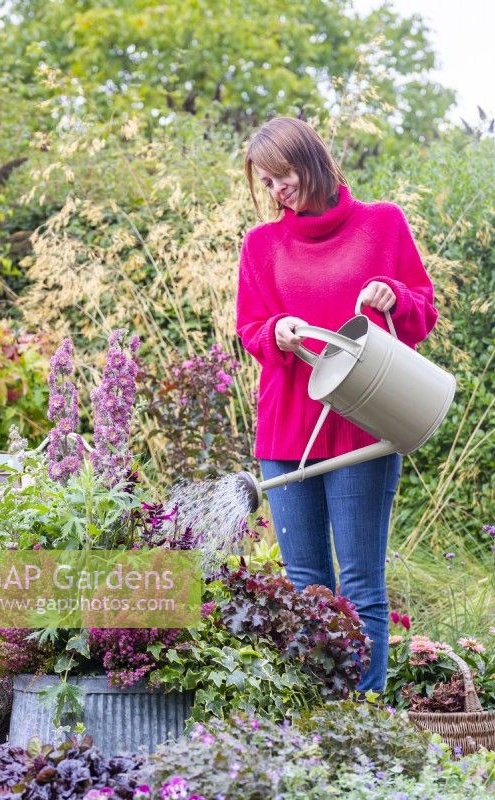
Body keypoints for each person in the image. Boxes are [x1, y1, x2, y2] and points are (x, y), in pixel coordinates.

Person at [235, 116, 438, 692]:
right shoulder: (262, 243)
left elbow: (422, 314)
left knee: (361, 586)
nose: (278, 191)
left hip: (364, 429)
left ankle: (366, 722)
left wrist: (393, 295)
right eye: (267, 182)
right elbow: (250, 329)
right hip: (287, 433)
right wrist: (277, 331)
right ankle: (318, 723)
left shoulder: (383, 224)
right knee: (304, 585)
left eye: (283, 175)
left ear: (312, 160)